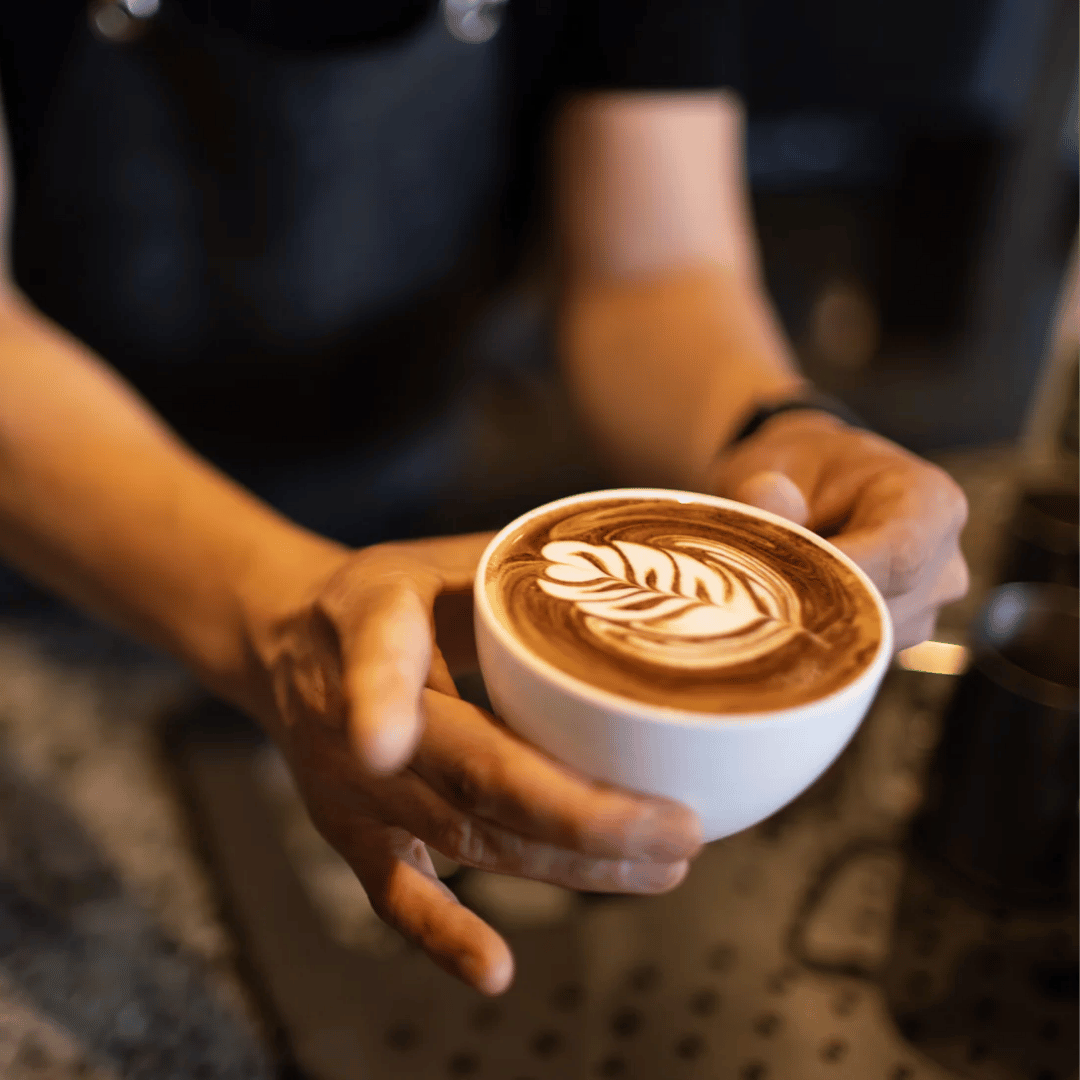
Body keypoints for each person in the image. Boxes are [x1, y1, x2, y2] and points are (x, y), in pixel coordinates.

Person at [0, 0, 968, 996]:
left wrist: (775, 428)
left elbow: (653, 267)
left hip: (405, 585)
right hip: (49, 588)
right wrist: (276, 603)